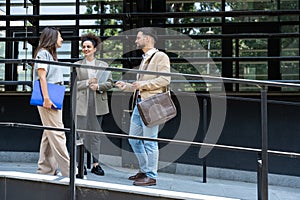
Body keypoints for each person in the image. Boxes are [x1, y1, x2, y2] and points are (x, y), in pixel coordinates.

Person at [116, 27, 171, 186]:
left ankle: (151, 176)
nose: (135, 41)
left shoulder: (161, 56)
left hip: (152, 105)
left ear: (147, 39)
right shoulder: (145, 58)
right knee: (134, 139)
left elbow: (165, 80)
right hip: (140, 105)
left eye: (138, 38)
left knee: (149, 141)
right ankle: (144, 170)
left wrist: (144, 84)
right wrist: (126, 86)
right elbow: (140, 85)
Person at [33, 27, 70, 177]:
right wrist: (46, 98)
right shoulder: (43, 53)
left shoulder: (49, 54)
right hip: (49, 96)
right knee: (58, 134)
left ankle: (45, 170)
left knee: (49, 134)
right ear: (53, 38)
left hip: (55, 93)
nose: (62, 40)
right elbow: (42, 77)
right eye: (60, 37)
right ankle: (69, 172)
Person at [75, 33, 113, 176]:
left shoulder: (104, 65)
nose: (86, 49)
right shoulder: (77, 65)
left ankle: (96, 165)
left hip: (98, 104)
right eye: (84, 47)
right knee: (81, 135)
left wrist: (98, 87)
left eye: (88, 47)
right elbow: (72, 85)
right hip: (82, 104)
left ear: (95, 49)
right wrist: (86, 83)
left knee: (96, 135)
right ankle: (81, 164)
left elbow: (110, 83)